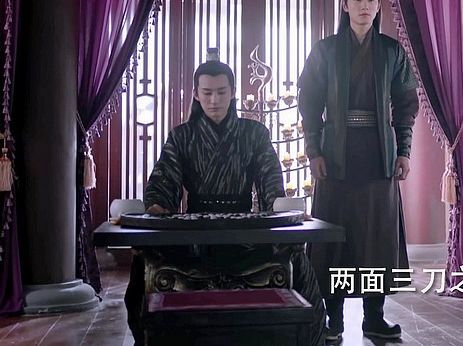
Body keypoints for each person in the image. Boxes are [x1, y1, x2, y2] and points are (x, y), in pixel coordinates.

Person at [124, 60, 326, 345]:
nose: (214, 100)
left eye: (221, 92)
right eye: (207, 93)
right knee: (143, 263)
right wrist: (157, 203)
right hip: (193, 235)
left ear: (233, 92)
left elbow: (270, 183)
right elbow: (164, 180)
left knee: (297, 259)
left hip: (244, 233)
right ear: (196, 94)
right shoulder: (182, 137)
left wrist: (278, 206)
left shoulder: (255, 134)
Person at [298, 0, 419, 343]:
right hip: (335, 155)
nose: (364, 6)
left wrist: (404, 150)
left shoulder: (392, 51)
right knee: (334, 236)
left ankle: (374, 317)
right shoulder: (325, 50)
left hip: (379, 155)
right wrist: (313, 150)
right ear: (345, 4)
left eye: (371, 0)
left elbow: (406, 105)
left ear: (378, 6)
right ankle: (333, 318)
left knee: (376, 237)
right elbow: (309, 104)